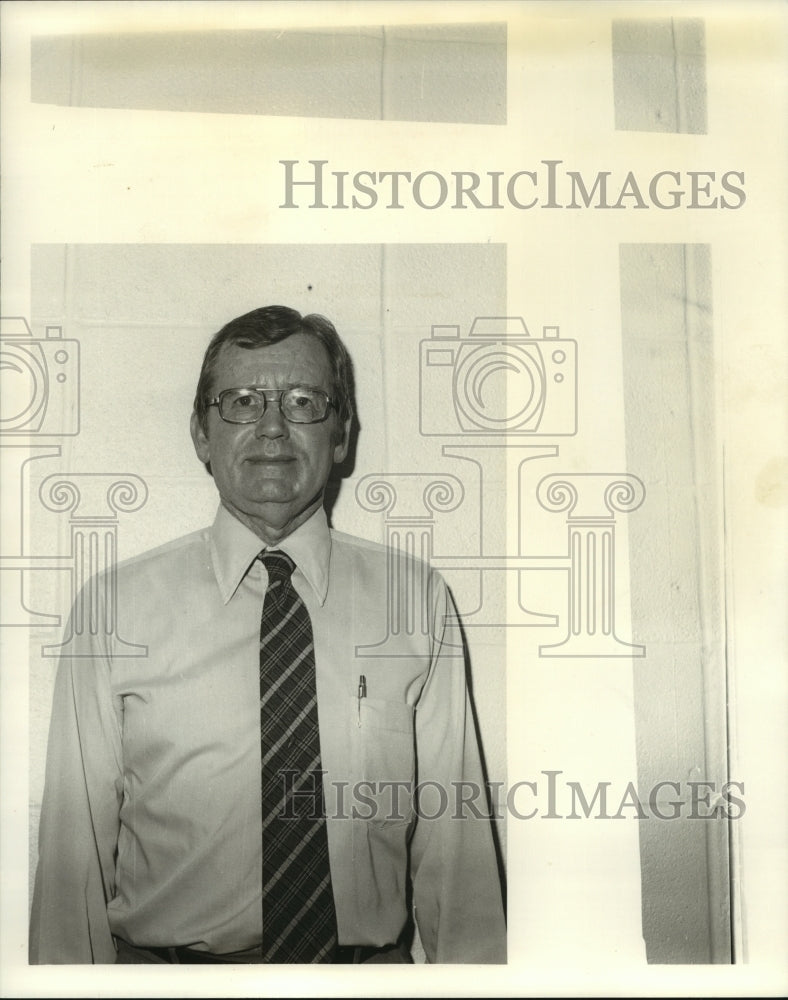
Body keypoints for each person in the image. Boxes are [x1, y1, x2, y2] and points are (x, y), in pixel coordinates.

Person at [29, 305, 506, 965]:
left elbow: (460, 862)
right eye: (243, 401)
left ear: (342, 434)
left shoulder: (415, 600)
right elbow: (69, 867)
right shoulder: (114, 609)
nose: (274, 428)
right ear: (201, 433)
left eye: (305, 401)